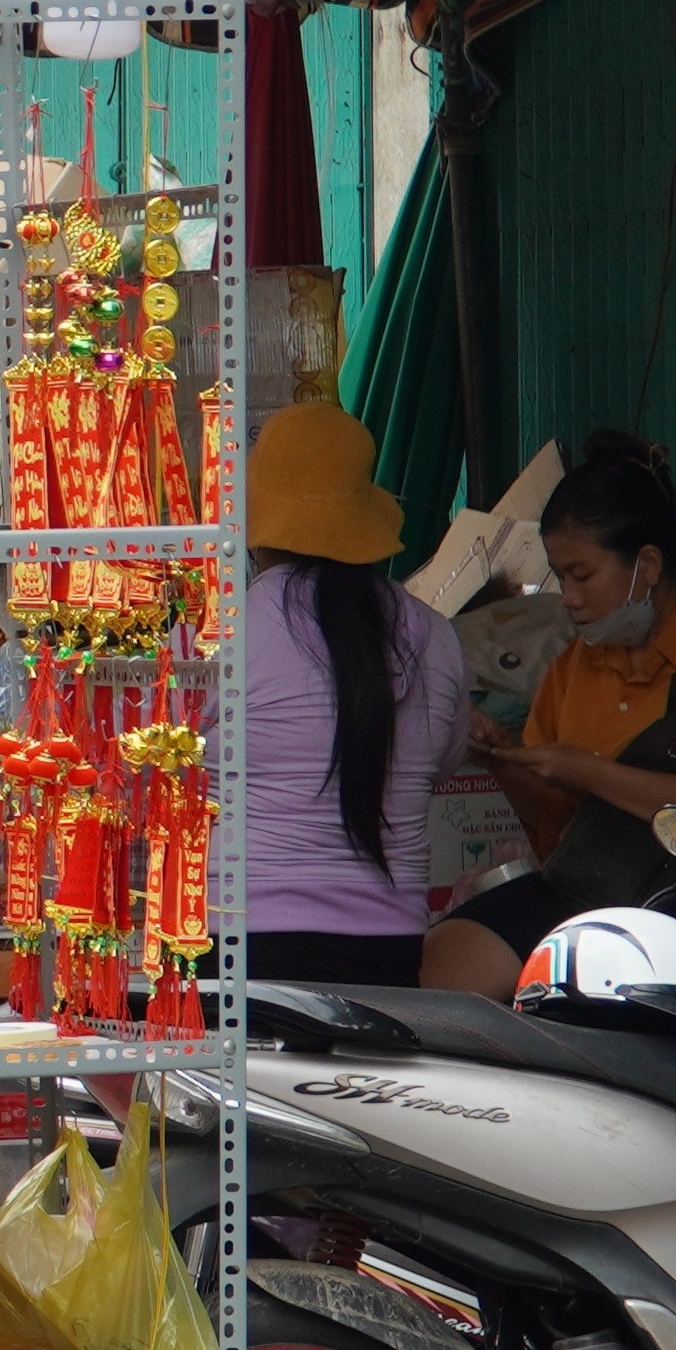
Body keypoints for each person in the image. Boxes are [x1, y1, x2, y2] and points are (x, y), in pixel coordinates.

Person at [424, 432, 676, 995]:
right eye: (561, 578)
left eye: (583, 576)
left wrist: (586, 770)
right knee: (441, 972)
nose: (570, 598)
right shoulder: (571, 669)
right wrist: (503, 761)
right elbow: (556, 825)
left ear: (647, 565)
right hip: (574, 891)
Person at [234, 395, 468, 991]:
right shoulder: (436, 638)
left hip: (238, 950)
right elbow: (441, 765)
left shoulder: (220, 635)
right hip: (390, 953)